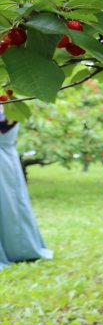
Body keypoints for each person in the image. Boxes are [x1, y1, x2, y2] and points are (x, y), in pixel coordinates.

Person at [0, 107, 53, 271]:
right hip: (6, 163)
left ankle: (18, 248)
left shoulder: (11, 110)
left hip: (4, 164)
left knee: (10, 207)